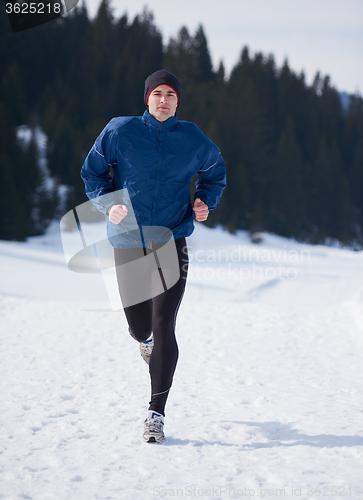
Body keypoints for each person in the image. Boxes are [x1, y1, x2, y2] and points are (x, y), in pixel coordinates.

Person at [80, 69, 226, 443]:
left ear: (178, 101)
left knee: (164, 325)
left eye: (171, 95)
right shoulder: (120, 131)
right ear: (147, 98)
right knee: (140, 327)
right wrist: (108, 203)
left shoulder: (193, 139)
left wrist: (203, 201)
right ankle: (143, 343)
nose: (164, 100)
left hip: (171, 240)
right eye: (157, 93)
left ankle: (155, 414)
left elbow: (215, 174)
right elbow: (93, 172)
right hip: (127, 240)